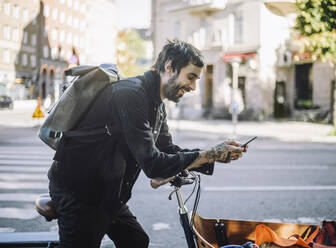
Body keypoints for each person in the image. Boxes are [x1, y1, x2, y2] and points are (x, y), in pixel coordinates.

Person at [48, 40, 248, 248]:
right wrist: (210, 154)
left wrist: (218, 154)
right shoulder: (131, 95)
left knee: (136, 241)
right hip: (80, 193)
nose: (193, 87)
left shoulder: (156, 105)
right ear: (170, 67)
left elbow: (167, 150)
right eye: (190, 77)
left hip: (108, 192)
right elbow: (152, 164)